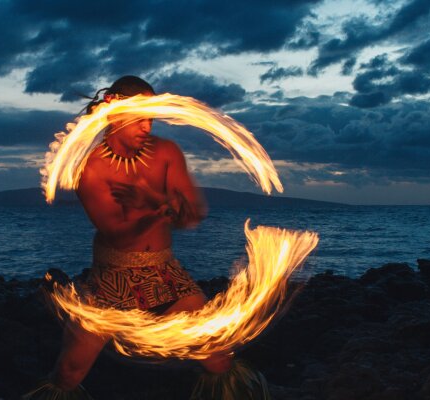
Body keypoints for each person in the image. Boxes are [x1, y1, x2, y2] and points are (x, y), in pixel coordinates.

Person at [24, 76, 268, 400]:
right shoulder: (91, 169)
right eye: (140, 117)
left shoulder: (166, 153)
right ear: (114, 111)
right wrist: (156, 209)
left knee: (219, 359)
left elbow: (192, 215)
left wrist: (159, 204)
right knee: (69, 371)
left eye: (151, 117)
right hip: (113, 279)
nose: (147, 127)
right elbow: (117, 232)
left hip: (165, 274)